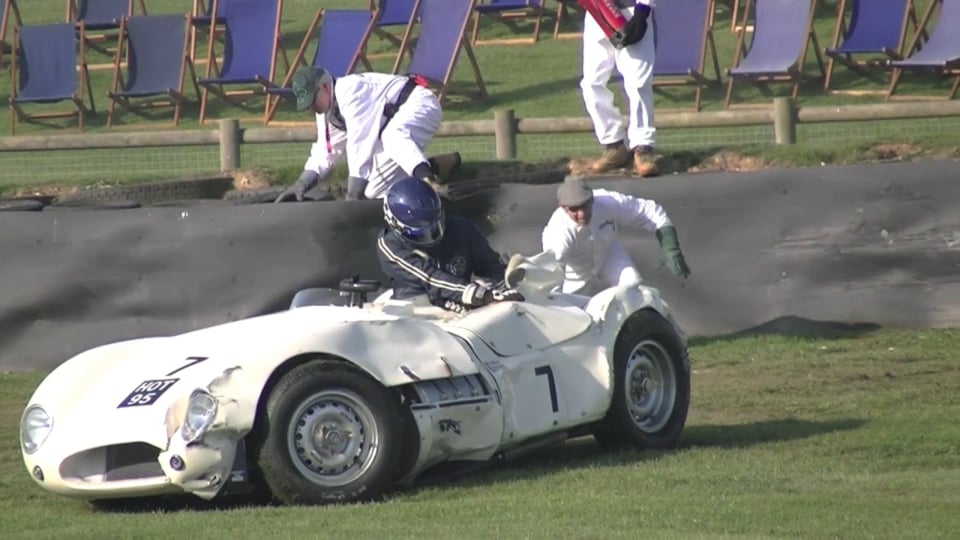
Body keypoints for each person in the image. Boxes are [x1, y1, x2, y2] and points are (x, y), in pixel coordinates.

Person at [275, 66, 451, 202]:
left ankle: (429, 181)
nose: (312, 108)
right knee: (373, 190)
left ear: (325, 86)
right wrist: (302, 183)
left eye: (313, 100)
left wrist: (351, 200)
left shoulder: (351, 92)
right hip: (394, 121)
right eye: (308, 105)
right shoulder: (327, 110)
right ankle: (435, 167)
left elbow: (360, 149)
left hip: (419, 103)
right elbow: (326, 151)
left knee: (392, 136)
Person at [376, 177, 523, 312]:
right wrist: (478, 295)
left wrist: (503, 285)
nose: (431, 237)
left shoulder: (460, 228)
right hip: (417, 314)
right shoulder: (389, 245)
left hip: (466, 304)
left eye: (435, 227)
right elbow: (428, 278)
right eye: (420, 234)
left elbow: (490, 266)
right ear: (395, 224)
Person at [541, 178, 689, 295]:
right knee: (576, 313)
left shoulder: (608, 201)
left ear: (592, 198)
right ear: (563, 207)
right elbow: (551, 275)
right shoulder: (557, 234)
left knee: (631, 286)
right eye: (574, 209)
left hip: (607, 251)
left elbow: (652, 212)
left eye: (585, 205)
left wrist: (671, 248)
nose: (582, 214)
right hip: (576, 272)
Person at [580, 0, 659, 177]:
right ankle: (613, 145)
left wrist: (643, 11)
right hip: (597, 9)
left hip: (632, 9)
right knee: (591, 83)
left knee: (638, 83)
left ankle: (643, 148)